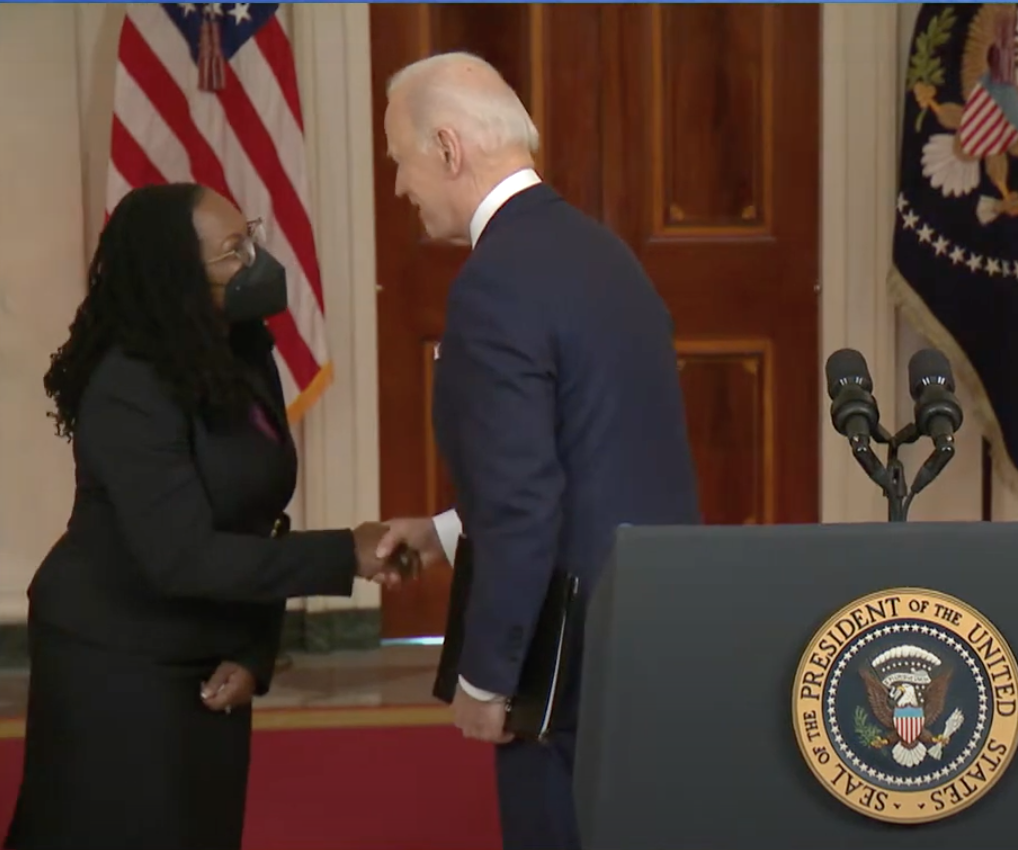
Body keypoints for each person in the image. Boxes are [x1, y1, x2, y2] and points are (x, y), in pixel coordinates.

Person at [5, 183, 405, 850]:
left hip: (207, 652)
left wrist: (253, 648)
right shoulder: (128, 384)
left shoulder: (243, 350)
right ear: (176, 279)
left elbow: (255, 518)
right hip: (115, 658)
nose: (256, 261)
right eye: (232, 252)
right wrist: (349, 553)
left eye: (249, 237)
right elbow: (183, 555)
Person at [374, 53, 700, 850]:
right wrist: (448, 531)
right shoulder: (602, 253)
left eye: (399, 160)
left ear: (448, 149)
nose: (398, 187)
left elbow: (525, 503)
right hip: (649, 625)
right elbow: (592, 452)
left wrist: (488, 676)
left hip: (563, 658)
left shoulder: (495, 283)